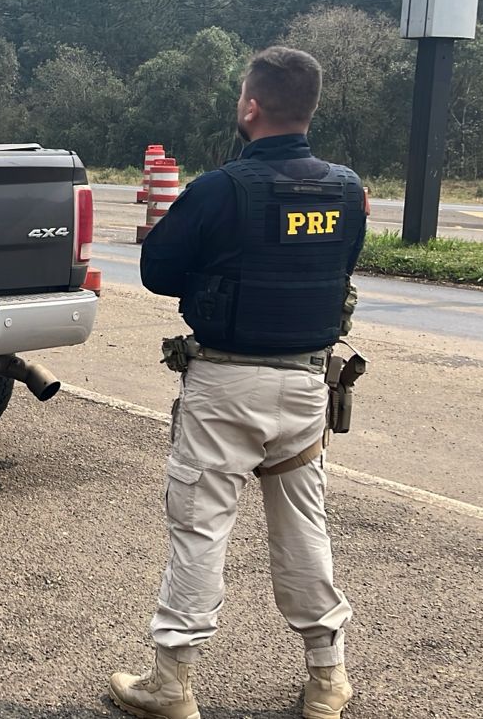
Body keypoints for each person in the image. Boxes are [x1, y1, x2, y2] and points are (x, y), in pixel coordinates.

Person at [109, 46, 366, 719]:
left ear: (251, 106)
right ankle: (327, 679)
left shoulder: (221, 189)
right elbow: (344, 262)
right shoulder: (345, 189)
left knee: (200, 530)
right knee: (305, 529)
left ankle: (172, 685)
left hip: (224, 387)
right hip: (309, 386)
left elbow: (158, 272)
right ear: (307, 108)